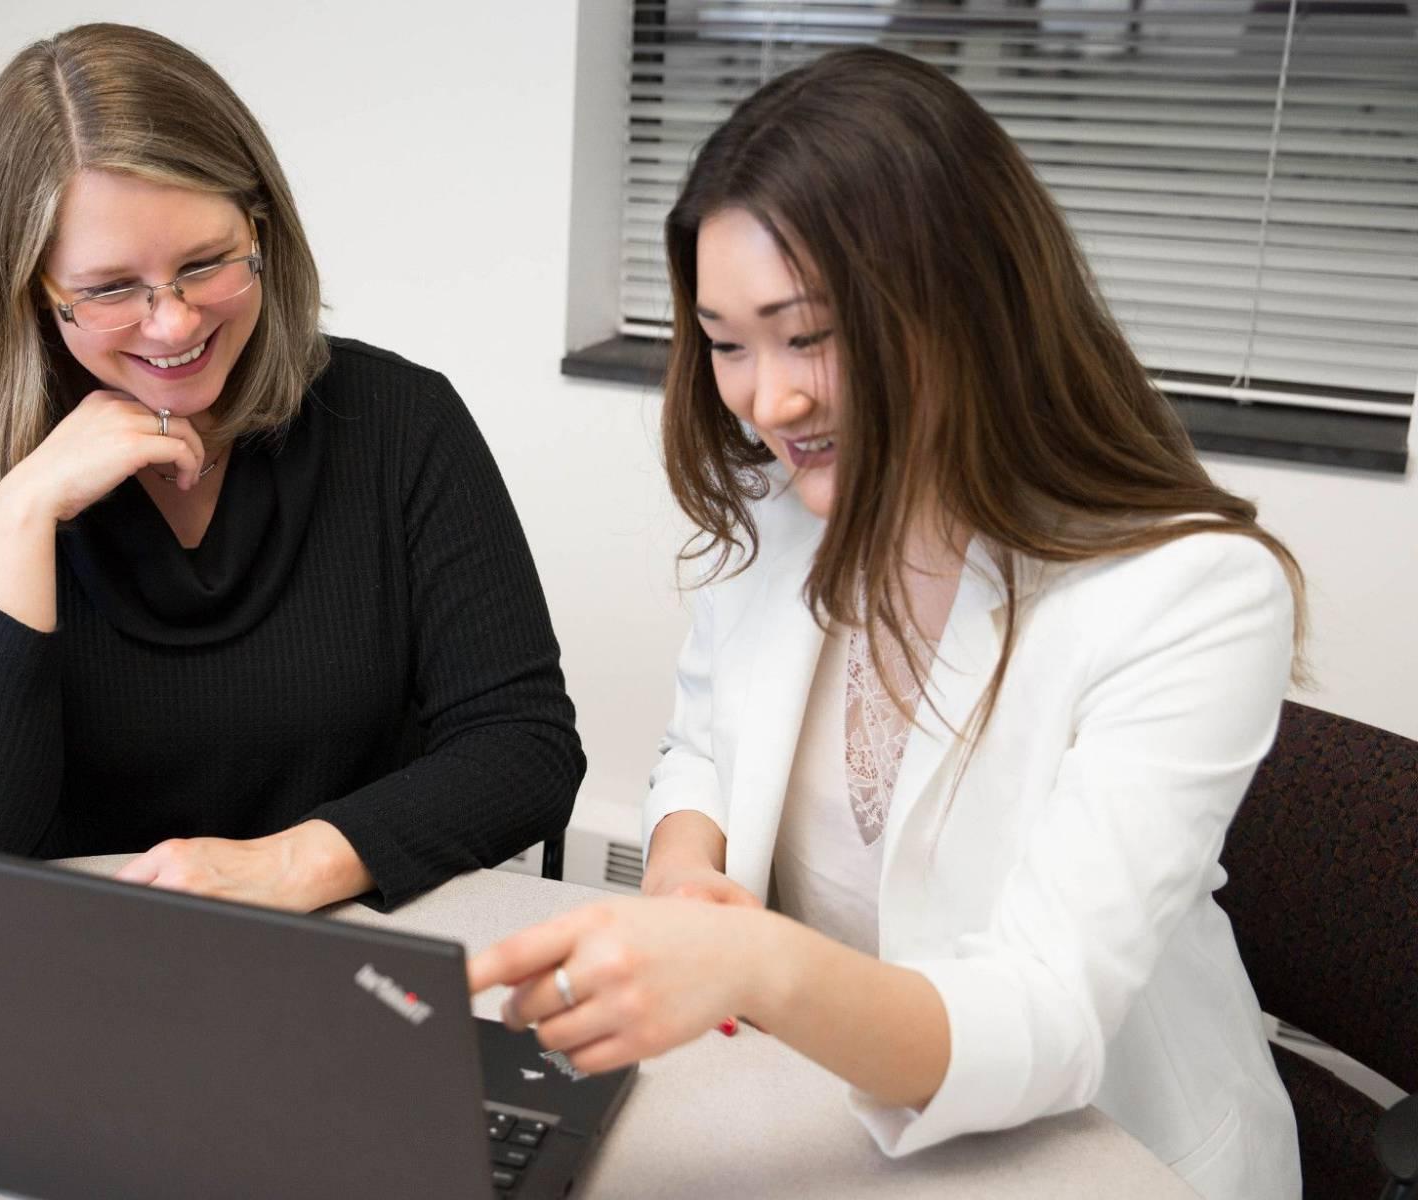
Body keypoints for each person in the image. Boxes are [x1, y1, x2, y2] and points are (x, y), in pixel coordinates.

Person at [469, 47, 1304, 1200]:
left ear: (967, 303)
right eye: (724, 342)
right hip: (827, 1117)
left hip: (1103, 1154)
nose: (768, 401)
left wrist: (748, 963)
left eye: (807, 333)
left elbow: (1047, 1012)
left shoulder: (1188, 592)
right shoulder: (780, 516)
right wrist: (681, 877)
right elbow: (701, 750)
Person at [0, 23, 583, 912]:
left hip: (356, 955)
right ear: (31, 295)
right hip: (76, 977)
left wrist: (296, 863)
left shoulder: (401, 422)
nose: (172, 325)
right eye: (110, 290)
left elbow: (526, 747)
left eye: (205, 265)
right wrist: (21, 515)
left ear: (262, 232)